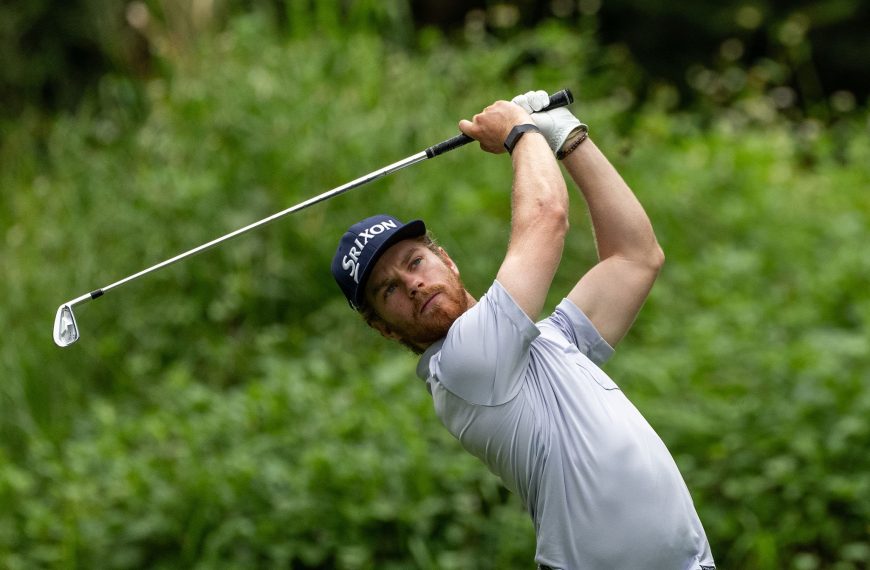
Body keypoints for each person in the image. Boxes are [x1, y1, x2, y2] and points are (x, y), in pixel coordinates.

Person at [331, 90, 715, 570]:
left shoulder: (550, 341)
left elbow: (635, 257)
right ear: (385, 329)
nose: (412, 284)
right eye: (388, 290)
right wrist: (520, 132)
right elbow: (547, 219)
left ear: (445, 259)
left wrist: (567, 137)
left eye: (415, 261)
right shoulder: (463, 367)